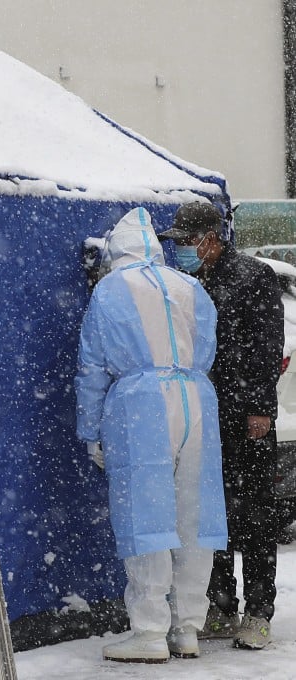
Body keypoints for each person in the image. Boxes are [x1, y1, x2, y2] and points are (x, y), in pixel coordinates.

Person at [76, 206, 227, 663]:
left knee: (147, 516)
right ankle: (187, 628)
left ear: (116, 251)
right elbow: (206, 349)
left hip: (140, 403)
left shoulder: (109, 289)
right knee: (194, 517)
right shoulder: (191, 286)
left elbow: (92, 367)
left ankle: (148, 630)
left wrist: (90, 430)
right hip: (197, 398)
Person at [158, 200, 284, 650]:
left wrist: (258, 408)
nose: (183, 252)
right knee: (212, 513)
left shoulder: (253, 277)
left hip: (243, 413)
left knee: (254, 514)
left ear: (212, 238)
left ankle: (258, 610)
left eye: (188, 243)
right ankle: (222, 603)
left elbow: (267, 346)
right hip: (202, 413)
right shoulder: (186, 283)